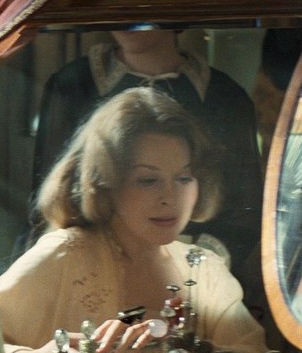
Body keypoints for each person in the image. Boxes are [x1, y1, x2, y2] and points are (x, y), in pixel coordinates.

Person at [0, 87, 267, 353]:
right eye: (148, 180)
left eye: (184, 178)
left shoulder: (205, 269)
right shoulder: (66, 253)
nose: (170, 198)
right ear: (106, 185)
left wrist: (182, 350)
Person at [29, 29, 262, 281]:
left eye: (184, 178)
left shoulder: (225, 95)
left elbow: (246, 210)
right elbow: (54, 200)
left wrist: (195, 271)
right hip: (92, 271)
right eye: (148, 180)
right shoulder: (72, 85)